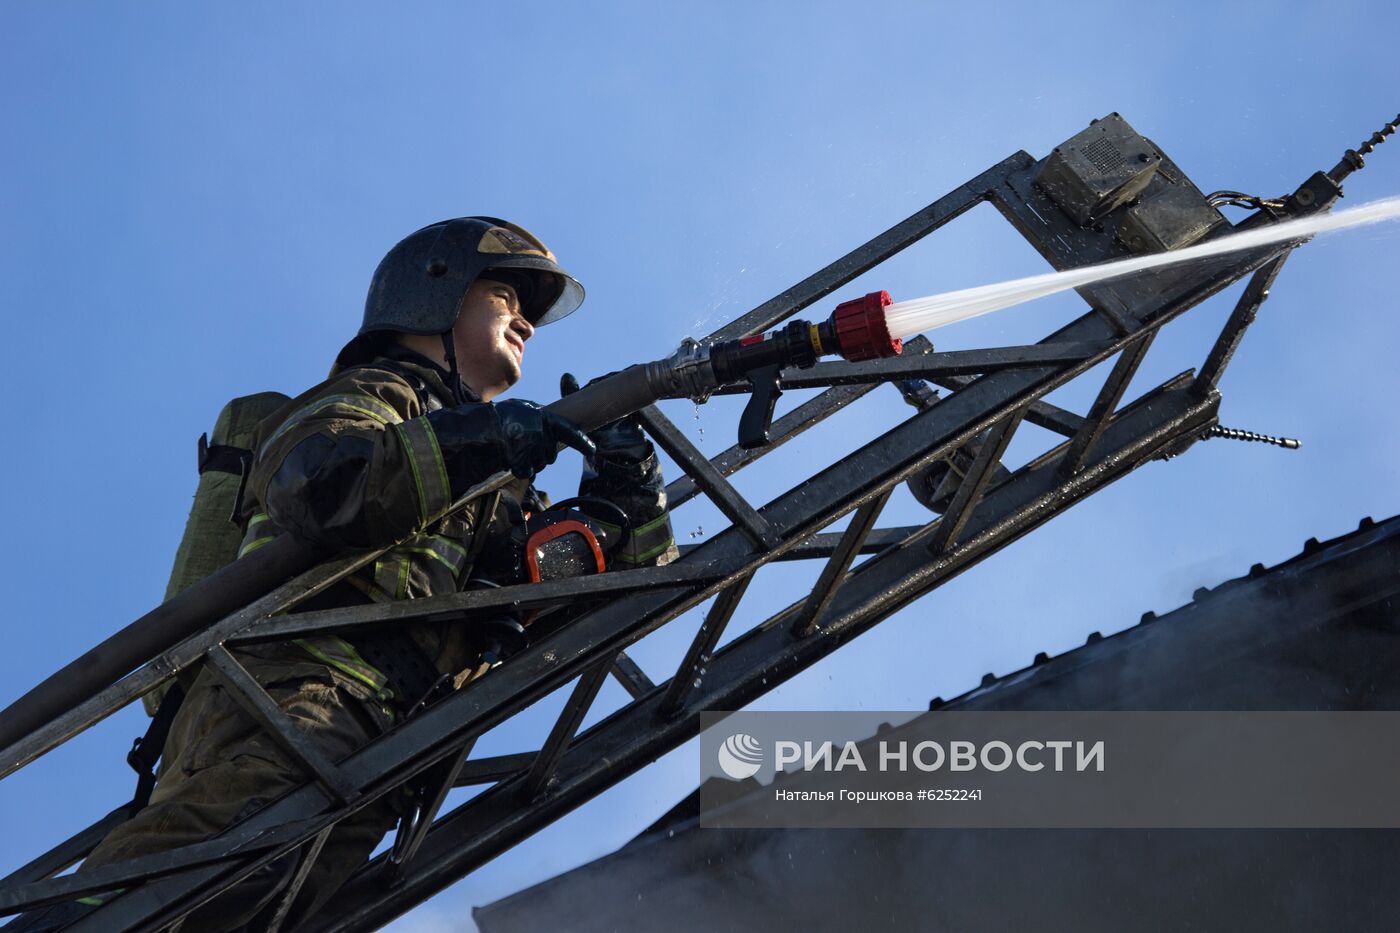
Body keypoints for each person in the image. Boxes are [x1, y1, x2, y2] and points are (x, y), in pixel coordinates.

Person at [70, 217, 677, 931]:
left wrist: (626, 487)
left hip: (381, 747)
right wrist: (481, 438)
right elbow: (322, 481)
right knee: (183, 887)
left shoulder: (499, 489)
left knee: (241, 907)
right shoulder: (379, 393)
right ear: (436, 294)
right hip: (292, 702)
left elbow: (590, 592)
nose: (528, 325)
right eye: (506, 296)